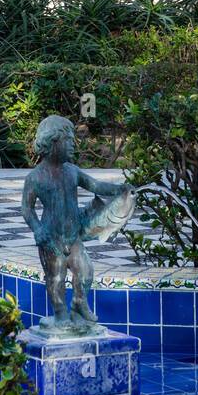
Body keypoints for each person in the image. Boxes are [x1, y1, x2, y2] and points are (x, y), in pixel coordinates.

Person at [21, 115, 135, 333]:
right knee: (56, 278)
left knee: (86, 271)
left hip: (73, 236)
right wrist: (37, 229)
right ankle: (60, 313)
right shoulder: (35, 177)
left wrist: (118, 189)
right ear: (53, 142)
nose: (74, 144)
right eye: (69, 140)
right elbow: (26, 208)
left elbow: (95, 185)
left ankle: (79, 304)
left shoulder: (72, 171)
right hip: (51, 239)